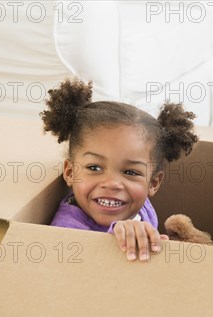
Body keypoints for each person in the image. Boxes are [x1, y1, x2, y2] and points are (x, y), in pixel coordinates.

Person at [42, 78, 198, 261]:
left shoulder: (140, 205)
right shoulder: (66, 232)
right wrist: (118, 233)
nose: (112, 184)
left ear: (153, 183)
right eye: (94, 167)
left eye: (131, 172)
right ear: (70, 173)